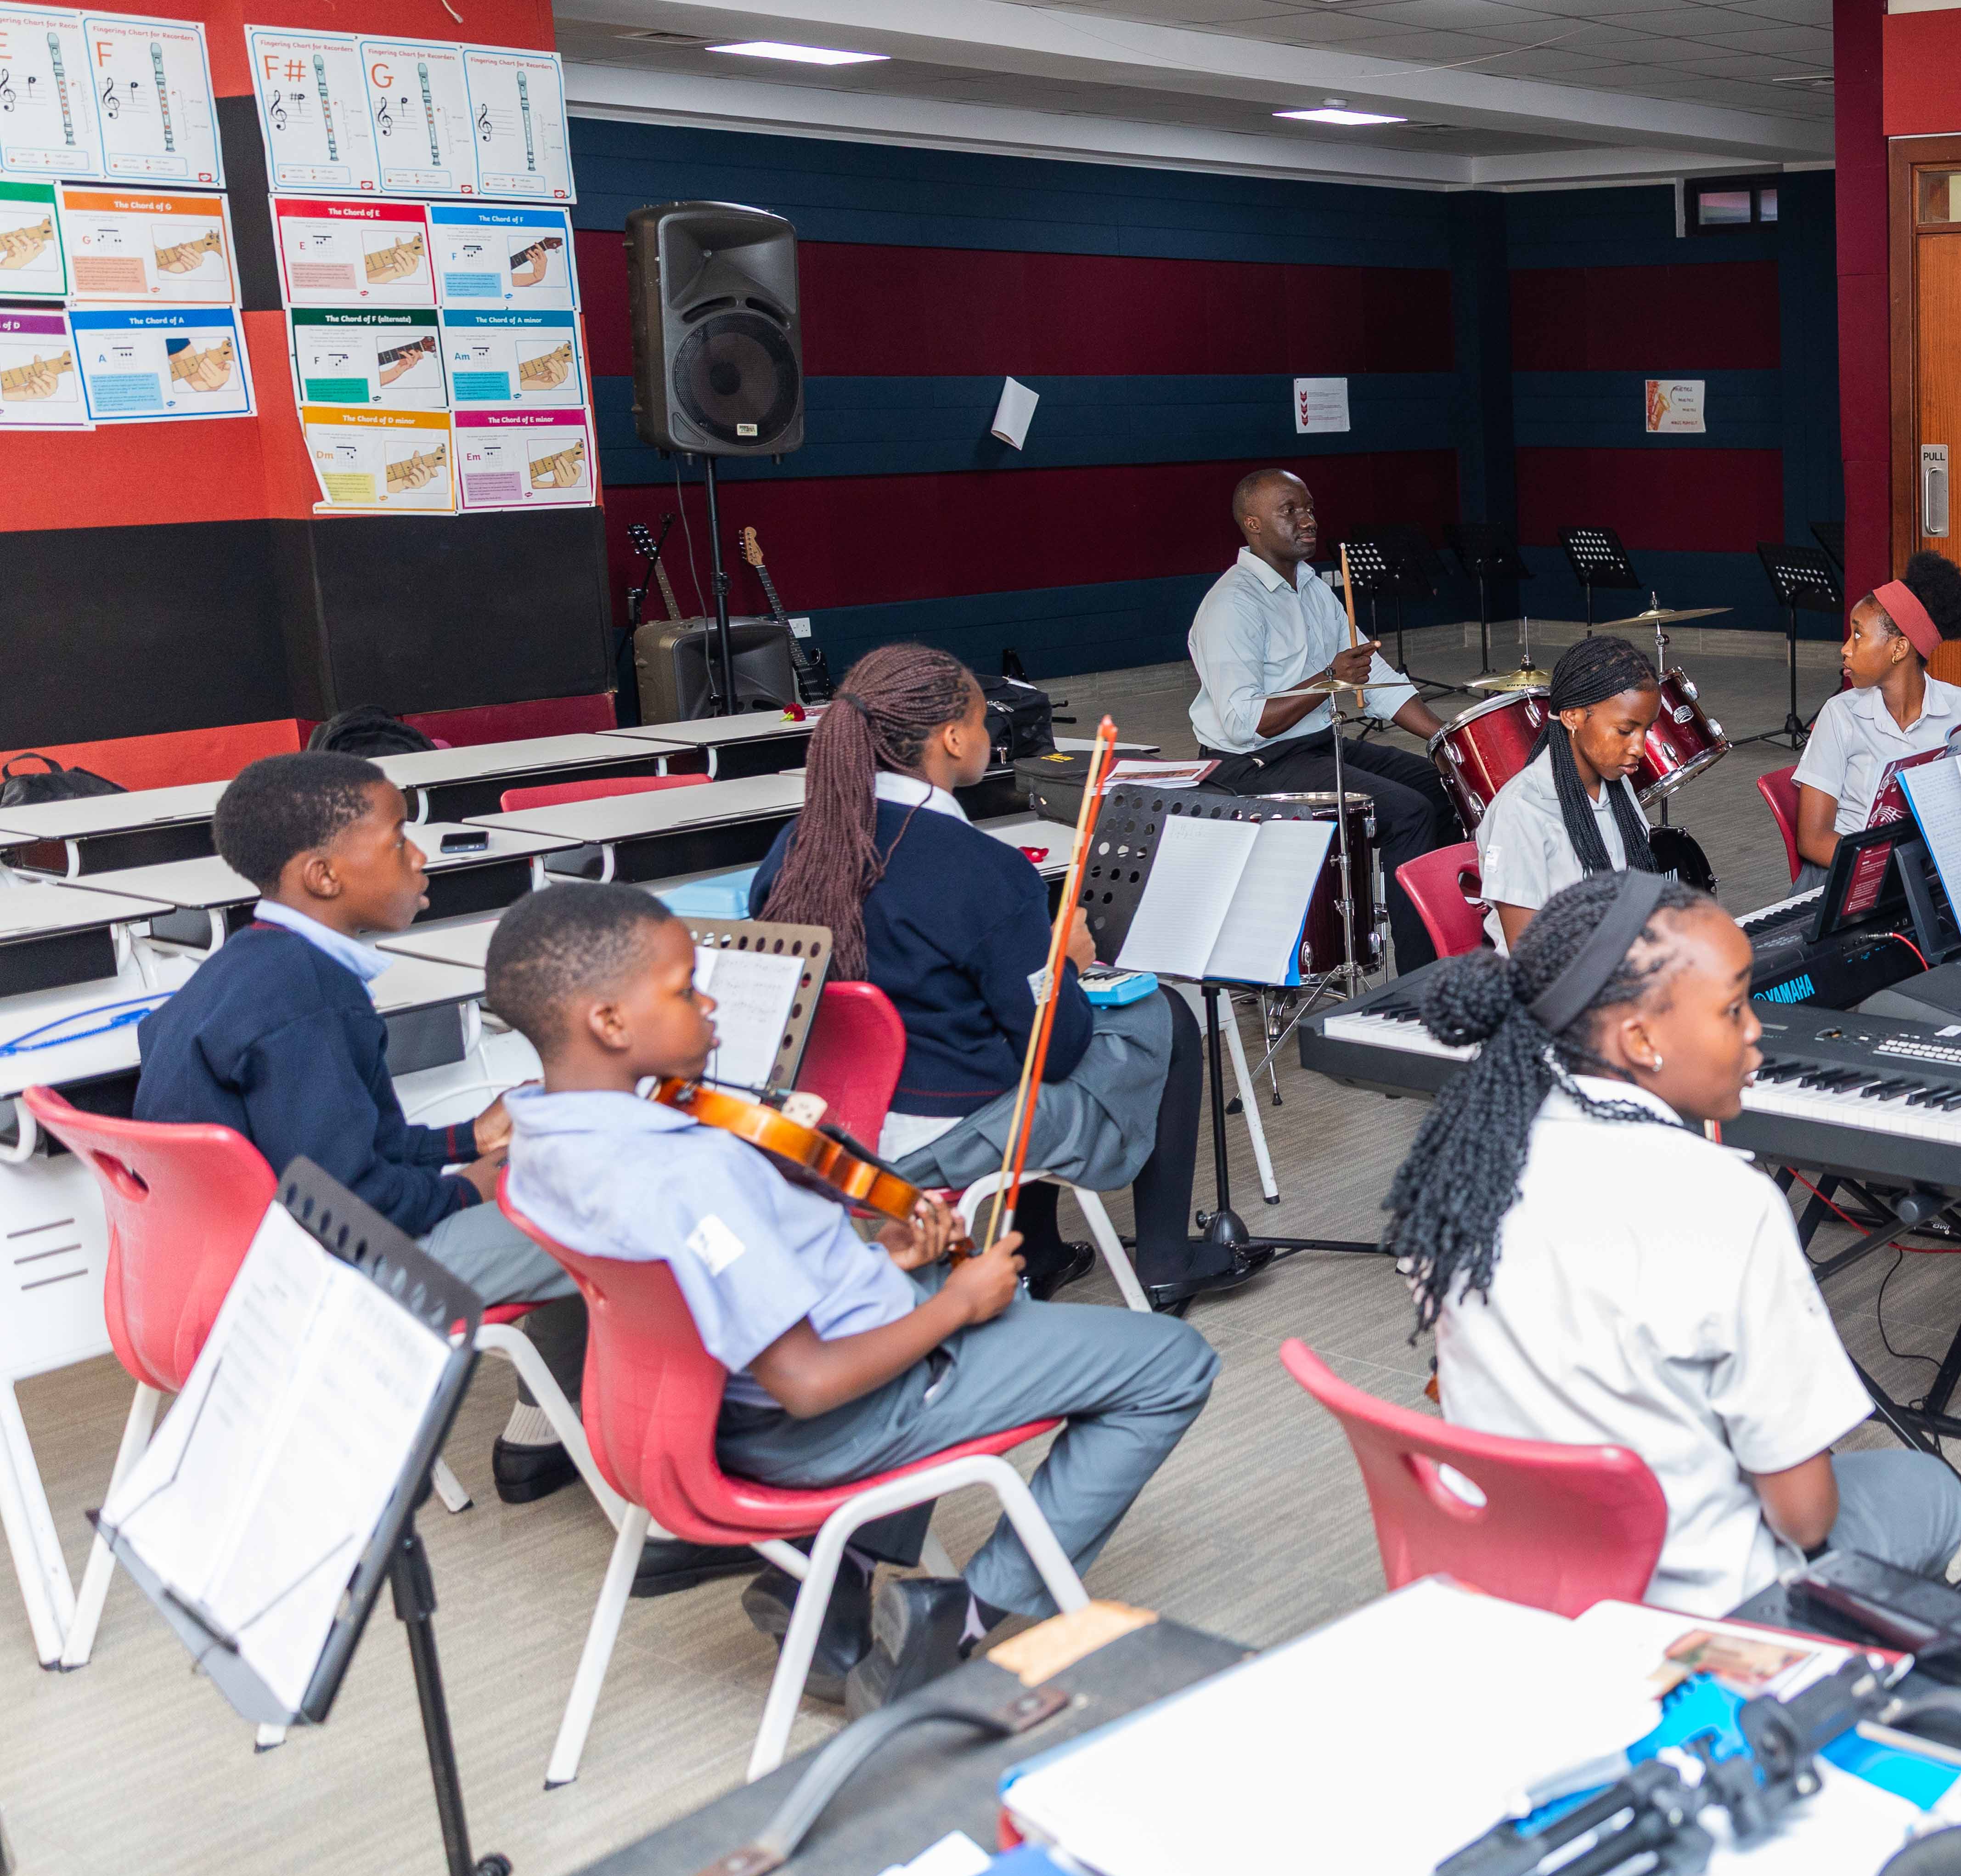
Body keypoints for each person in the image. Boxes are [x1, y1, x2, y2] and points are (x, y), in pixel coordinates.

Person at [494, 884, 1218, 1710]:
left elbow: (725, 1284)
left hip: (680, 1410)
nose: (710, 1003)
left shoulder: (540, 1131)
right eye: (685, 987)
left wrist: (887, 1260)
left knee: (948, 1277)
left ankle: (834, 1579)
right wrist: (956, 1308)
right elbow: (805, 1380)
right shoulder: (690, 1174)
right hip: (819, 1422)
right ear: (610, 1022)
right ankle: (958, 1624)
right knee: (1171, 1365)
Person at [1391, 870, 1961, 1614]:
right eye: (1732, 1008)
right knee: (1929, 1490)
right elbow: (1805, 1515)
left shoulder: (1463, 1166)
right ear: (1640, 1038)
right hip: (1699, 1606)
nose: (1755, 1027)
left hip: (1520, 1581)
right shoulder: (1727, 1201)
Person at [130, 753, 606, 1513]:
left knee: (544, 1172)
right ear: (323, 876)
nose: (420, 856)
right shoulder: (310, 1002)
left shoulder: (249, 969)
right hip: (327, 1290)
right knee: (608, 1206)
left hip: (213, 1284)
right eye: (397, 840)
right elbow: (356, 1201)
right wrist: (469, 1187)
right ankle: (662, 1455)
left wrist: (463, 1141)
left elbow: (338, 1150)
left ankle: (555, 1419)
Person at [752, 644, 1232, 1308]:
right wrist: (1063, 960)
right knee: (1164, 1016)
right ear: (953, 738)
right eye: (984, 723)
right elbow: (1056, 1050)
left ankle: (1038, 1252)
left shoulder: (800, 844)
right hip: (938, 1139)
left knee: (1001, 1028)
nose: (989, 736)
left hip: (829, 1127)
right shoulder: (983, 869)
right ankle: (1167, 1260)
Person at [1186, 467, 1452, 963]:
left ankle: (1452, 942)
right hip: (1252, 761)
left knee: (1445, 785)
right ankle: (1423, 974)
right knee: (1406, 811)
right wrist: (1330, 679)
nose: (1307, 519)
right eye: (1290, 510)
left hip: (1311, 744)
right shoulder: (1231, 605)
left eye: (1308, 507)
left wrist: (1451, 741)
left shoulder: (1310, 586)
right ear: (1253, 524)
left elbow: (1374, 678)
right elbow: (1247, 721)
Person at [1787, 551, 1961, 870]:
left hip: (1938, 873)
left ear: (1899, 649)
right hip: (1855, 873)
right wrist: (1891, 871)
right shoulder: (1840, 714)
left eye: (1859, 634)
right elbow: (1813, 839)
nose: (1846, 648)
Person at [1472, 635, 1660, 949]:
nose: (1640, 748)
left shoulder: (1616, 784)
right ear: (1573, 717)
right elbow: (1531, 959)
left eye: (1647, 730)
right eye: (1626, 731)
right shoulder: (1522, 811)